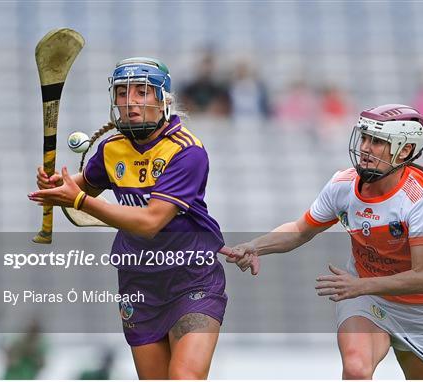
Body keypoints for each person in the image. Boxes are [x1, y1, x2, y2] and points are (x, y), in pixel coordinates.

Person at [29, 57, 255, 379]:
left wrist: (77, 199)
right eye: (122, 93)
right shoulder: (111, 149)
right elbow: (79, 187)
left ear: (164, 100)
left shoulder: (186, 151)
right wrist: (55, 187)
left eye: (142, 92)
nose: (130, 101)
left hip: (191, 277)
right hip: (139, 281)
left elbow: (151, 222)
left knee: (184, 377)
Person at [227, 104, 423, 379]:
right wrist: (254, 246)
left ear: (404, 151)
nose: (366, 148)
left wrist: (359, 284)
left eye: (378, 142)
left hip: (418, 307)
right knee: (356, 369)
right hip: (366, 296)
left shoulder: (420, 199)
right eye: (365, 138)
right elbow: (300, 230)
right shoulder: (343, 185)